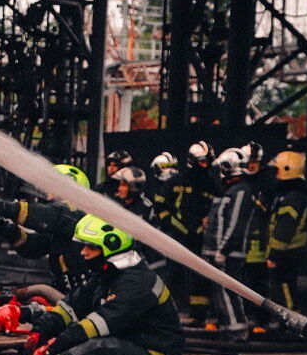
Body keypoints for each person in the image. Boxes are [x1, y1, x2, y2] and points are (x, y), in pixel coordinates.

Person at [0, 214, 184, 355]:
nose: (83, 253)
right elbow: (69, 308)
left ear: (110, 247)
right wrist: (41, 331)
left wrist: (54, 346)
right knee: (52, 336)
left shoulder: (138, 282)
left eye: (90, 247)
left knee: (95, 348)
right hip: (127, 346)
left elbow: (96, 326)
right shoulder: (106, 276)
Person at [0, 164, 93, 294]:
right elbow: (33, 247)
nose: (47, 188)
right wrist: (4, 228)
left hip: (87, 298)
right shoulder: (60, 229)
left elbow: (40, 216)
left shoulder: (75, 213)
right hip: (70, 294)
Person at [156, 141, 215, 325]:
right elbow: (160, 206)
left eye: (208, 161)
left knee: (200, 277)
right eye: (202, 161)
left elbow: (215, 210)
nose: (206, 165)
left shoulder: (211, 184)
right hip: (177, 238)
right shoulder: (176, 181)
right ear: (192, 160)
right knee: (172, 275)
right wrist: (175, 227)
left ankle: (198, 316)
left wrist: (205, 227)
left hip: (200, 238)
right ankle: (164, 314)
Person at [203, 147, 256, 340]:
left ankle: (237, 329)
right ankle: (229, 326)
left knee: (227, 290)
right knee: (219, 291)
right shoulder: (231, 190)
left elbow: (235, 224)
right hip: (218, 250)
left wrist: (223, 250)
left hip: (228, 253)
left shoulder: (241, 191)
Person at [267, 151, 307, 311]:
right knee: (287, 285)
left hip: (286, 252)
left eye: (278, 170)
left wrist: (274, 255)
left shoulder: (292, 198)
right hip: (291, 251)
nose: (276, 175)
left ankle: (290, 319)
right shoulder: (298, 195)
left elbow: (284, 229)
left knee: (283, 287)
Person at [101, 166, 165, 272]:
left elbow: (147, 240)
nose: (119, 189)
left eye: (123, 185)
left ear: (134, 187)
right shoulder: (118, 205)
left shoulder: (145, 208)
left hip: (148, 263)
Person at [241, 143, 272, 312]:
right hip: (240, 242)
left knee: (259, 283)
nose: (252, 165)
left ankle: (261, 319)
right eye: (248, 161)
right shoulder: (238, 181)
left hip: (260, 242)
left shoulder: (267, 183)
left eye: (255, 161)